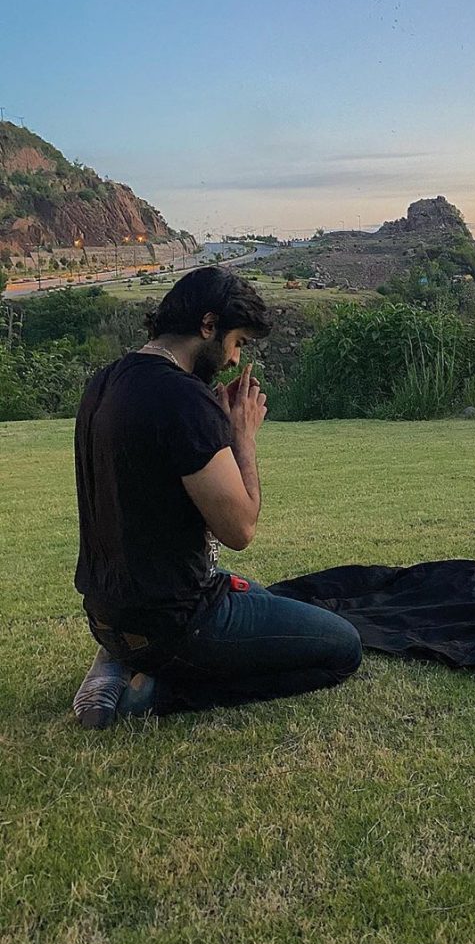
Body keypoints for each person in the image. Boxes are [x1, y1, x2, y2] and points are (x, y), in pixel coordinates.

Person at [71, 266, 362, 729]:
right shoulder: (183, 399)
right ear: (208, 326)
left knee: (263, 597)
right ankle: (153, 695)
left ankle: (113, 659)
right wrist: (241, 437)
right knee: (343, 649)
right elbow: (240, 529)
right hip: (174, 624)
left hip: (107, 613)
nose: (232, 359)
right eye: (237, 342)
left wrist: (216, 431)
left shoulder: (104, 382)